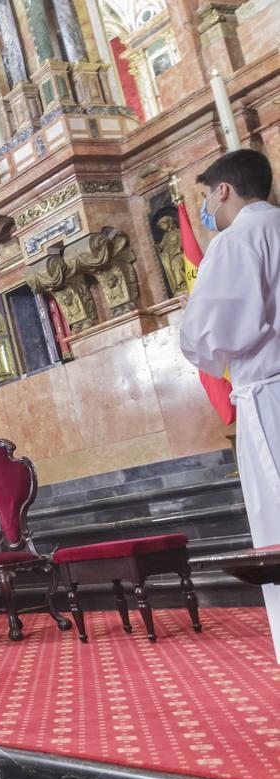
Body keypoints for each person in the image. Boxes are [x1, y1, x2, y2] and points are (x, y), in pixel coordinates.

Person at [180, 148, 280, 663]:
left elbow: (210, 335)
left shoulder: (237, 239)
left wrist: (199, 340)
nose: (205, 210)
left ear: (223, 190)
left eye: (205, 196)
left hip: (269, 395)